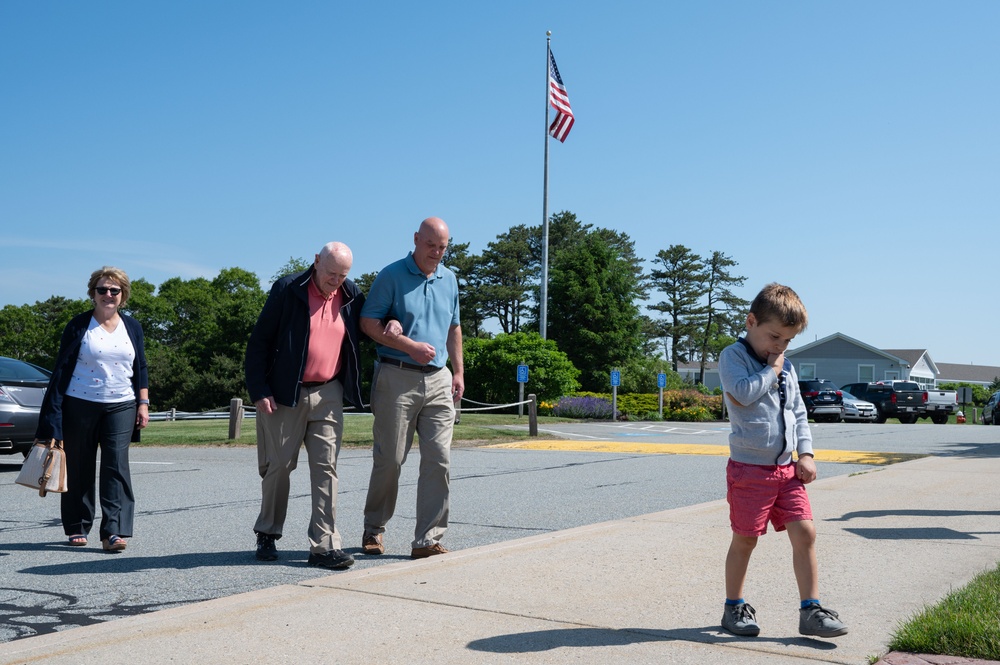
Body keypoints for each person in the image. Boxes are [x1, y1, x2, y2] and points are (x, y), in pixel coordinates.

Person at [718, 283, 848, 638]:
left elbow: (798, 413)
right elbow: (742, 394)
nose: (779, 347)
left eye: (787, 341)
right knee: (745, 539)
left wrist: (805, 454)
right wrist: (772, 371)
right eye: (774, 336)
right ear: (751, 322)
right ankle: (734, 607)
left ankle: (811, 610)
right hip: (749, 469)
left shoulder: (785, 366)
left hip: (787, 469)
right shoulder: (733, 357)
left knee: (805, 532)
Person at [245, 242, 368, 570]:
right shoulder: (287, 289)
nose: (336, 281)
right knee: (280, 465)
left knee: (326, 467)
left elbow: (371, 323)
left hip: (329, 392)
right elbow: (259, 343)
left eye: (343, 275)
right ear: (316, 261)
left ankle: (324, 545)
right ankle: (268, 531)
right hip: (286, 393)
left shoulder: (351, 293)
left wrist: (395, 322)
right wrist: (260, 390)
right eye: (331, 273)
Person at [359, 217, 464, 560]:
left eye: (443, 247)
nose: (437, 253)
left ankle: (427, 539)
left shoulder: (450, 279)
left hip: (439, 379)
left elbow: (454, 328)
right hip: (397, 376)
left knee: (439, 459)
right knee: (390, 459)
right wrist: (408, 346)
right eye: (431, 245)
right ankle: (374, 528)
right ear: (416, 239)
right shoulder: (391, 275)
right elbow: (368, 323)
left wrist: (458, 372)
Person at [35, 267, 150, 552]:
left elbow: (141, 367)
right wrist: (55, 413)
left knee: (116, 466)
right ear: (93, 293)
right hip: (80, 404)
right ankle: (77, 525)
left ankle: (113, 530)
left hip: (122, 404)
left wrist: (143, 402)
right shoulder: (79, 325)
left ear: (123, 295)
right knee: (79, 466)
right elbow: (62, 369)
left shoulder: (132, 327)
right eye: (102, 290)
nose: (108, 295)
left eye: (114, 290)